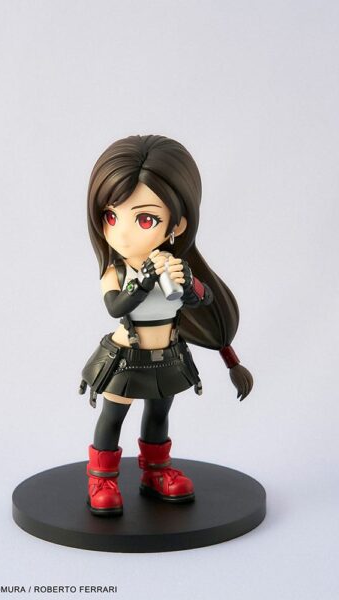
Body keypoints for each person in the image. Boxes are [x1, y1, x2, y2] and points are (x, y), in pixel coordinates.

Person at [80, 135, 253, 516]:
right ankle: (101, 478)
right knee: (113, 415)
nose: (123, 233)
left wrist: (188, 283)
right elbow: (115, 306)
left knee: (159, 414)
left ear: (178, 223)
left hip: (168, 355)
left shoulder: (171, 265)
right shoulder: (116, 271)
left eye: (145, 219)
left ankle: (155, 471)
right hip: (126, 357)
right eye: (111, 216)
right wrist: (142, 281)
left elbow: (202, 301)